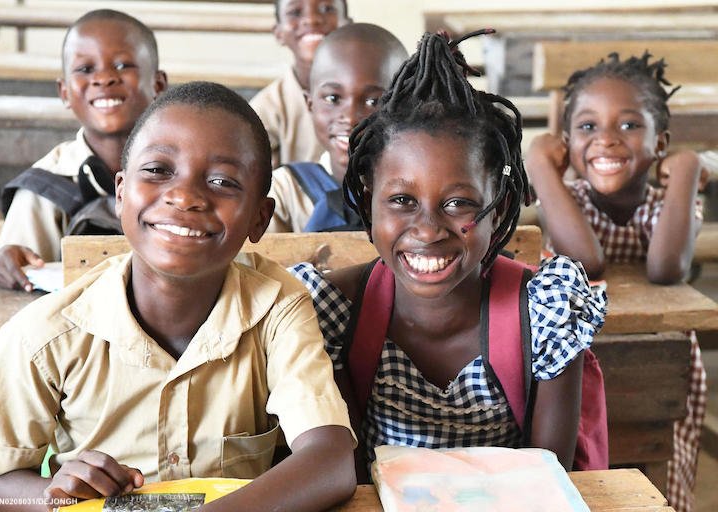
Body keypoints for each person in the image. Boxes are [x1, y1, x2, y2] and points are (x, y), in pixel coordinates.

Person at [0, 82, 356, 512]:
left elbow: (331, 460)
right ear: (120, 192)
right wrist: (53, 497)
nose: (185, 197)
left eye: (222, 181)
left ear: (260, 219)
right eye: (157, 170)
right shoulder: (46, 333)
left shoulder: (278, 308)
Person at [289, 31, 607, 482]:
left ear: (498, 205)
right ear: (368, 200)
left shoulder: (543, 315)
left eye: (459, 203)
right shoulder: (336, 315)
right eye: (401, 200)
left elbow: (546, 484)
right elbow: (345, 478)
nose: (427, 230)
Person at [525, 52, 704, 512]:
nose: (606, 140)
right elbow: (585, 261)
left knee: (658, 473)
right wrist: (541, 167)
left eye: (628, 126)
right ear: (565, 144)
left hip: (658, 361)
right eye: (587, 128)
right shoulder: (569, 199)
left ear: (660, 143)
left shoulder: (670, 204)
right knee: (588, 476)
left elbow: (667, 269)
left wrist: (686, 172)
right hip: (574, 366)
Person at [0, 9, 168, 292]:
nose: (104, 78)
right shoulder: (42, 189)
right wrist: (10, 262)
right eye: (85, 69)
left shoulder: (187, 170)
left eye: (123, 66)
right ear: (64, 92)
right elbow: (22, 283)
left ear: (158, 84)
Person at [266, 22, 408, 232]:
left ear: (405, 107)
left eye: (373, 101)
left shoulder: (418, 190)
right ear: (310, 103)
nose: (350, 119)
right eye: (333, 98)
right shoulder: (285, 192)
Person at [250, 0, 350, 169]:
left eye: (327, 8)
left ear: (347, 25)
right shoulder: (265, 111)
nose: (311, 20)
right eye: (295, 12)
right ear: (278, 32)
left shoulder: (377, 93)